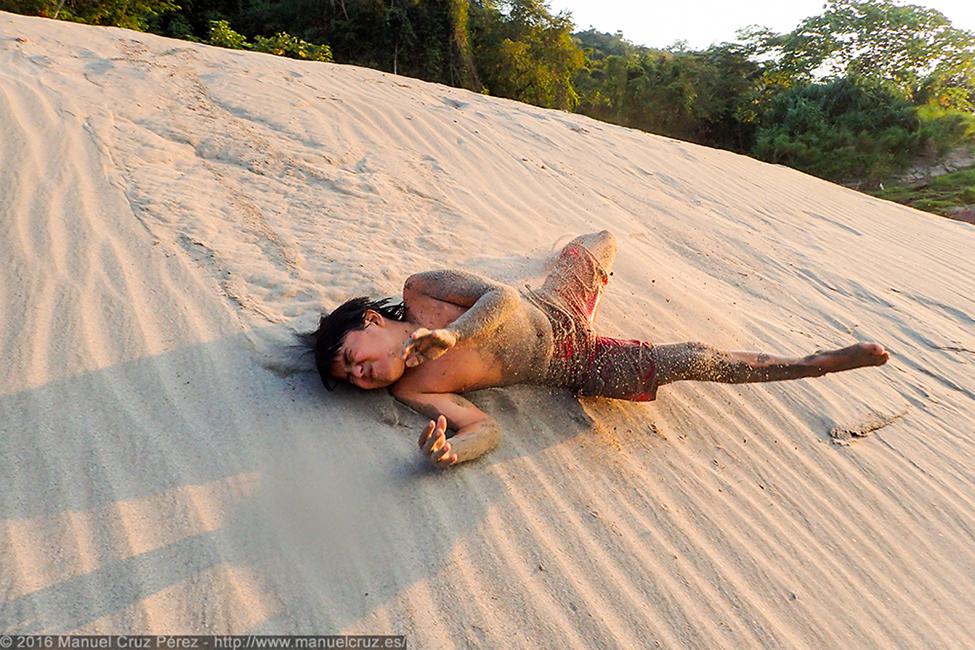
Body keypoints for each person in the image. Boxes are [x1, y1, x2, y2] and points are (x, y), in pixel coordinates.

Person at [310, 231, 889, 468]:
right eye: (354, 380)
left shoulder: (423, 291)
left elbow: (503, 299)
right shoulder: (415, 387)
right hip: (574, 363)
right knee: (691, 358)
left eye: (349, 355)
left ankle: (570, 251)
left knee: (601, 239)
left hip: (550, 302)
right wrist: (454, 451)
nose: (360, 372)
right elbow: (486, 428)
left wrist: (454, 335)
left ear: (367, 319)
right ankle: (818, 363)